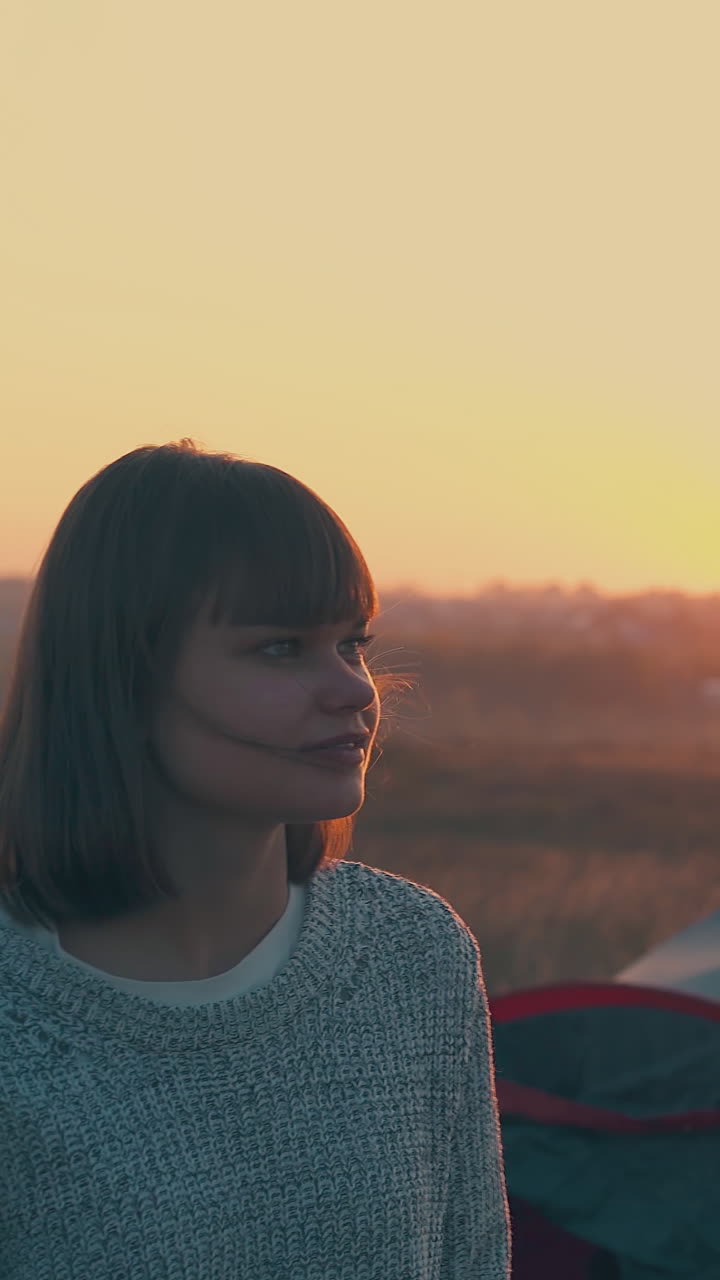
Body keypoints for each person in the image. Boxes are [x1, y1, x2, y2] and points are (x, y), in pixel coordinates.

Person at [0, 438, 511, 1278]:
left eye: (354, 644)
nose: (353, 690)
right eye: (281, 648)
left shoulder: (412, 956)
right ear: (120, 679)